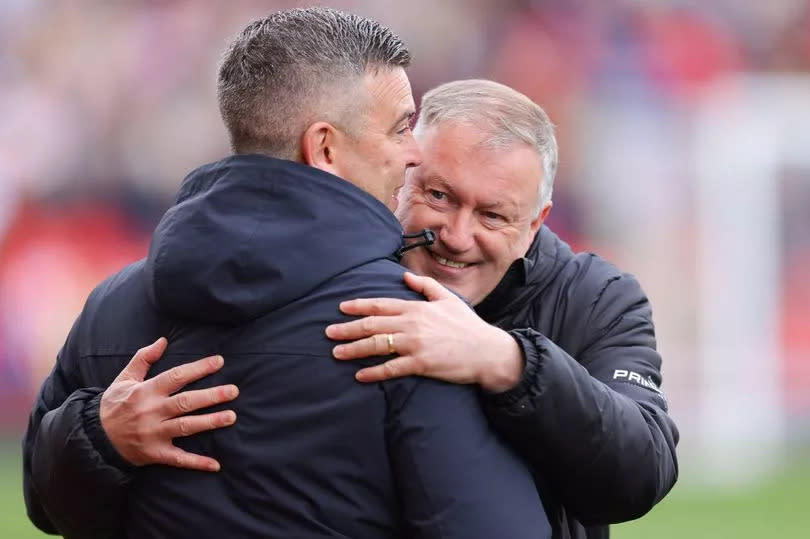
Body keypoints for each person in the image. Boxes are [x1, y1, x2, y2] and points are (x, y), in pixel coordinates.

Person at [22, 9, 551, 539]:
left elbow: (42, 503)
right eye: (399, 129)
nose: (413, 155)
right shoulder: (411, 329)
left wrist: (96, 437)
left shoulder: (111, 304)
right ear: (324, 147)